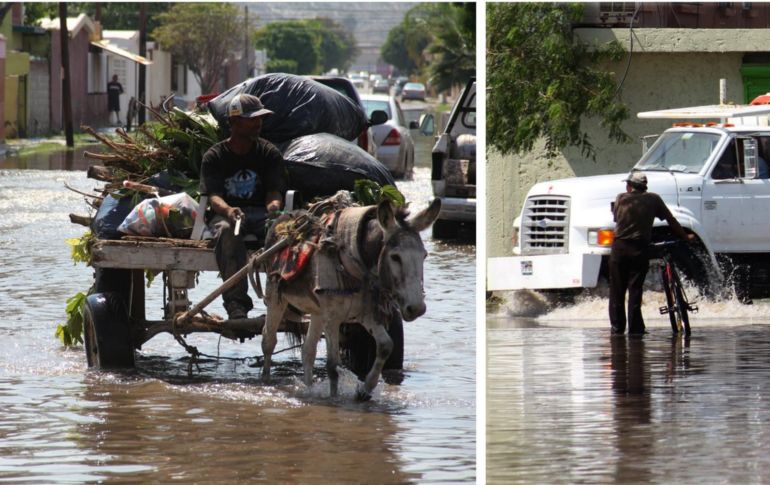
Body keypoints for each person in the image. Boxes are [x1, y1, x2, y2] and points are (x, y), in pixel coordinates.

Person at [199, 93, 286, 320]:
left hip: (260, 214)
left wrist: (274, 209)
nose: (259, 123)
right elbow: (214, 196)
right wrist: (229, 210)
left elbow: (273, 192)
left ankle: (288, 300)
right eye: (252, 119)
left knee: (286, 232)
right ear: (235, 122)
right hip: (227, 215)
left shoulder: (269, 153)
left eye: (260, 119)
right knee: (228, 232)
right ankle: (236, 305)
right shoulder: (214, 156)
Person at [609, 172, 695, 336]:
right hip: (639, 249)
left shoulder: (620, 198)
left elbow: (616, 219)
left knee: (617, 291)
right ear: (644, 187)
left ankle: (617, 329)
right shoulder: (653, 199)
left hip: (619, 248)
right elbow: (671, 220)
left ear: (629, 186)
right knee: (635, 289)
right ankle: (635, 330)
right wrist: (685, 236)